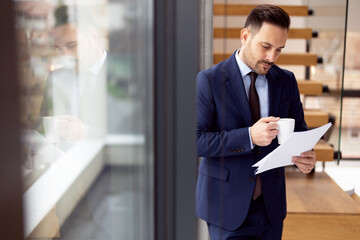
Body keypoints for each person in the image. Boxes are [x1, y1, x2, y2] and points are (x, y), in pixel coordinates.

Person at [196, 4, 316, 240]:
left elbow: (299, 132)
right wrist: (249, 136)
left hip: (271, 209)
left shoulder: (286, 81)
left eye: (279, 49)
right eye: (266, 46)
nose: (272, 57)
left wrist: (305, 157)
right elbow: (196, 141)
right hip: (226, 208)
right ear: (245, 36)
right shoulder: (209, 81)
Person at [39, 4, 107, 149]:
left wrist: (86, 134)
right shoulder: (55, 78)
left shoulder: (126, 77)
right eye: (59, 49)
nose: (66, 56)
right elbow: (42, 127)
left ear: (93, 36)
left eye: (72, 46)